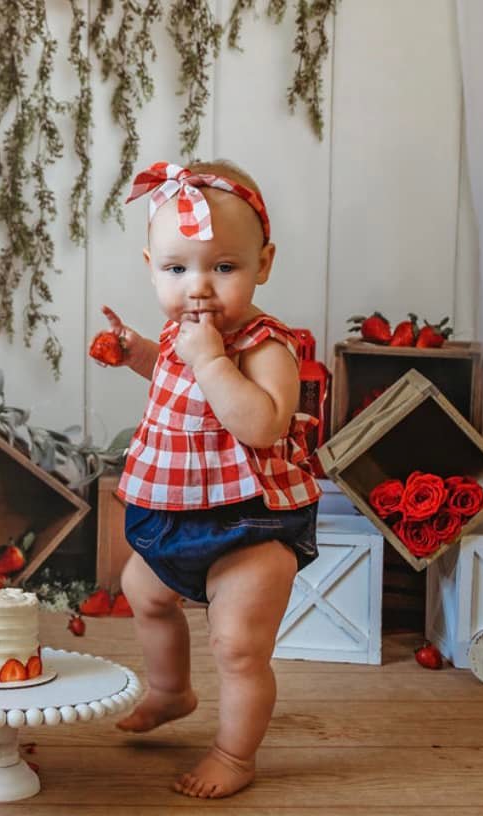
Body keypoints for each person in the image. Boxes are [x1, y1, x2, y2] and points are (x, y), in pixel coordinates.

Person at [98, 159, 321, 799]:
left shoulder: (265, 347)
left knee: (238, 647)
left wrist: (213, 359)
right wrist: (137, 351)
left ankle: (234, 754)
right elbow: (177, 388)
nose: (199, 287)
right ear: (151, 266)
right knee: (142, 589)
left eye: (223, 267)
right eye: (177, 269)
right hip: (177, 512)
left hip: (249, 522)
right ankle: (171, 691)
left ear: (264, 263)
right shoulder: (183, 335)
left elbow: (261, 426)